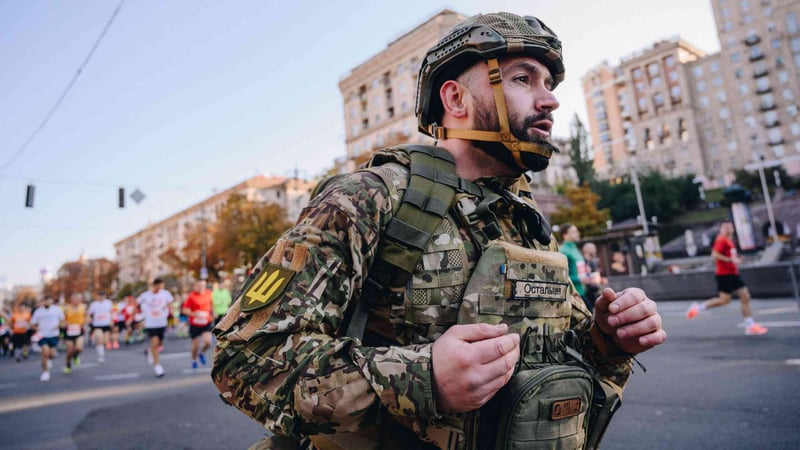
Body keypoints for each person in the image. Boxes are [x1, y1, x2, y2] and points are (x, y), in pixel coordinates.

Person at [213, 12, 665, 449]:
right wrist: (423, 378)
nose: (549, 100)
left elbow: (555, 360)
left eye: (548, 84)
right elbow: (243, 360)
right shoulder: (371, 198)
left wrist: (608, 339)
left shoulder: (523, 218)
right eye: (523, 79)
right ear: (455, 100)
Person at [686, 220, 768, 335]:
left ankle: (750, 325)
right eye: (725, 227)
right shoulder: (721, 240)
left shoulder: (729, 241)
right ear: (721, 229)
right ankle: (698, 308)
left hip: (733, 273)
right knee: (724, 300)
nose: (728, 229)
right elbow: (714, 255)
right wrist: (730, 260)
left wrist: (737, 259)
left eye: (730, 227)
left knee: (745, 296)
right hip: (724, 274)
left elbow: (730, 256)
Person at [137, 278, 174, 377]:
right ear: (155, 285)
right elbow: (136, 303)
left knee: (159, 344)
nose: (160, 288)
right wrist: (136, 317)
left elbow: (171, 303)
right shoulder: (146, 295)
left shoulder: (165, 293)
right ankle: (157, 367)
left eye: (162, 286)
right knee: (154, 343)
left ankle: (150, 351)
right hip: (151, 324)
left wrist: (170, 310)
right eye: (159, 286)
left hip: (162, 323)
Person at [559, 223, 594, 309]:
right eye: (573, 232)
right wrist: (579, 279)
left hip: (582, 291)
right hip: (572, 295)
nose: (577, 233)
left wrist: (586, 270)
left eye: (576, 231)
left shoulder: (575, 249)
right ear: (565, 235)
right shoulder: (563, 251)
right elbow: (560, 275)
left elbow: (577, 268)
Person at [31, 296, 64, 382]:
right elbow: (32, 323)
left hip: (53, 335)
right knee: (45, 352)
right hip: (42, 335)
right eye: (45, 301)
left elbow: (62, 320)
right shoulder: (38, 311)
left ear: (52, 301)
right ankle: (45, 372)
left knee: (52, 354)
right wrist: (36, 329)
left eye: (48, 300)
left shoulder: (57, 309)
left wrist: (58, 326)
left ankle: (49, 359)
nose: (46, 302)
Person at [183, 279, 213, 369]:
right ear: (196, 286)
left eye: (203, 285)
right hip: (195, 324)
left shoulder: (209, 293)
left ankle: (201, 353)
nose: (201, 288)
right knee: (195, 346)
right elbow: (184, 310)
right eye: (199, 286)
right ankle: (194, 360)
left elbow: (211, 305)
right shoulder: (191, 296)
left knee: (208, 342)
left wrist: (213, 313)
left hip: (206, 322)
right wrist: (193, 314)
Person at [62, 293, 87, 374]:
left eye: (79, 299)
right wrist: (64, 323)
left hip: (79, 330)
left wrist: (86, 322)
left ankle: (75, 356)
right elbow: (62, 319)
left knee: (79, 348)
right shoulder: (67, 308)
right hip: (69, 331)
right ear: (72, 300)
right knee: (70, 350)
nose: (77, 301)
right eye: (76, 299)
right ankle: (68, 365)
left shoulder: (83, 307)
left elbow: (87, 316)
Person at [87, 290, 114, 362]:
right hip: (97, 324)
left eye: (103, 295)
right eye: (100, 295)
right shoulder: (94, 304)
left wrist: (112, 320)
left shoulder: (108, 303)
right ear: (98, 296)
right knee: (100, 339)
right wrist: (89, 319)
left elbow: (111, 312)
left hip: (106, 324)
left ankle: (99, 347)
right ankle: (100, 355)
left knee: (106, 341)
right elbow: (89, 313)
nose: (102, 297)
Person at [581, 241, 606, 311]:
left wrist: (600, 279)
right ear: (586, 249)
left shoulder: (593, 261)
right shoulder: (582, 261)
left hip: (594, 291)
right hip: (585, 292)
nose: (595, 250)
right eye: (593, 248)